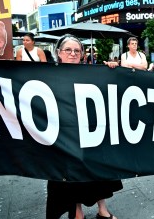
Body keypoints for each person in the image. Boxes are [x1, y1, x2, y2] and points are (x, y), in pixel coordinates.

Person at [46, 34, 121, 219]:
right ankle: (77, 211)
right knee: (70, 176)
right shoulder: (47, 74)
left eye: (77, 51)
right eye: (68, 50)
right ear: (59, 53)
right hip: (63, 135)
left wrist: (111, 70)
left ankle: (102, 209)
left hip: (90, 132)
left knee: (98, 170)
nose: (72, 54)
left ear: (82, 54)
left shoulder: (90, 73)